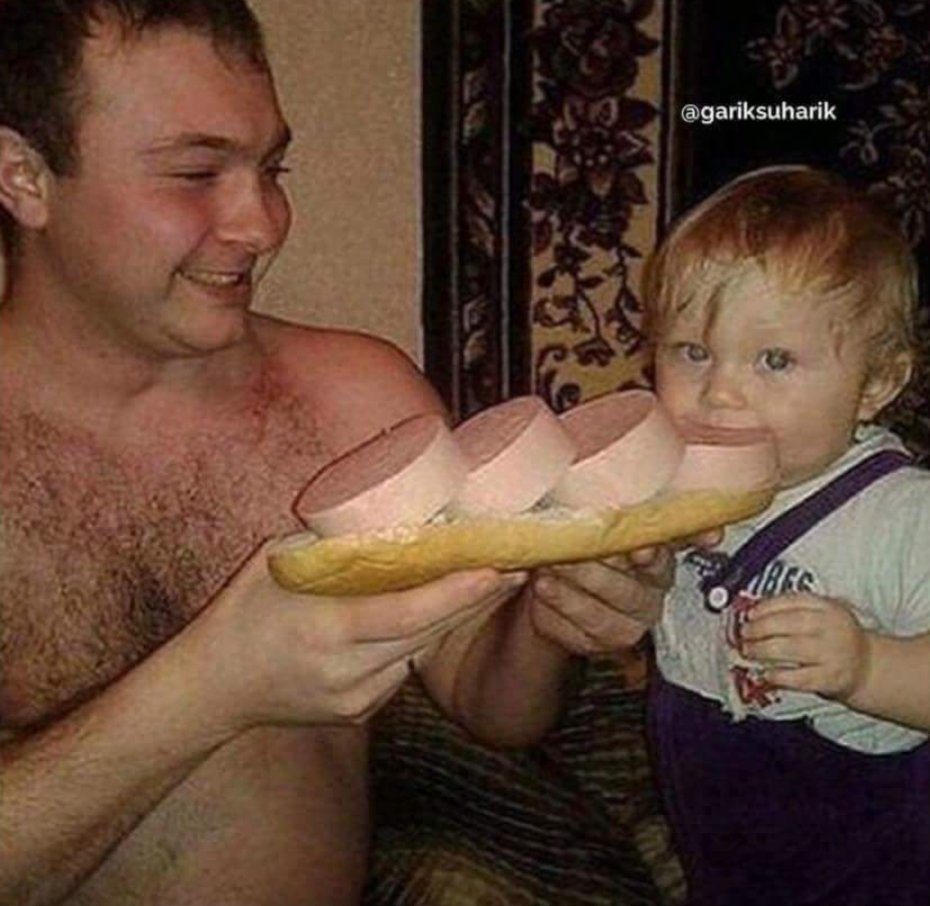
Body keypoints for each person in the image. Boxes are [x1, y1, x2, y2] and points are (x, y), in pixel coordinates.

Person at [0, 2, 671, 905]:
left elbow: (491, 701)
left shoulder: (356, 400)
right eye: (196, 172)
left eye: (270, 168)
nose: (263, 224)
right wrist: (211, 686)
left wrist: (553, 616)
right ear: (24, 177)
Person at [641, 165, 930, 905]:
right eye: (692, 351)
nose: (719, 391)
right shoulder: (672, 484)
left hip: (877, 866)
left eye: (774, 360)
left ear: (876, 384)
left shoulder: (901, 516)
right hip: (724, 851)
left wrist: (868, 666)